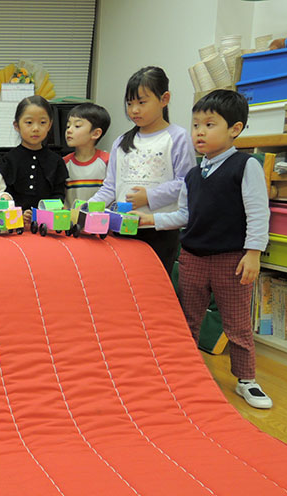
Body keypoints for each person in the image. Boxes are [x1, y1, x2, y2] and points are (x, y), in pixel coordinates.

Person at [135, 90, 272, 409]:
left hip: (231, 260)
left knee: (236, 323)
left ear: (235, 129)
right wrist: (151, 220)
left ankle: (246, 379)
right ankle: (186, 373)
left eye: (209, 125)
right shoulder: (193, 174)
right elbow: (184, 215)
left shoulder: (245, 165)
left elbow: (258, 212)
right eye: (196, 125)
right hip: (192, 258)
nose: (199, 131)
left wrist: (253, 253)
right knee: (187, 319)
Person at [88, 66, 195, 273]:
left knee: (154, 283)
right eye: (129, 104)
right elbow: (110, 187)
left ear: (164, 99)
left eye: (142, 102)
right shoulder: (121, 141)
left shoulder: (178, 137)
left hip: (159, 229)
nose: (134, 110)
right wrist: (87, 208)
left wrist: (150, 197)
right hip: (122, 228)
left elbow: (186, 182)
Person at [0, 95, 68, 225]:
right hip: (15, 225)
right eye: (29, 122)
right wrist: (18, 213)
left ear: (50, 125)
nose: (36, 128)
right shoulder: (8, 160)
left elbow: (58, 195)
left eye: (42, 122)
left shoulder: (56, 161)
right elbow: (5, 195)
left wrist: (46, 212)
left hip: (47, 225)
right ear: (16, 125)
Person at [63, 102, 111, 205]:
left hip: (100, 215)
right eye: (68, 126)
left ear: (96, 133)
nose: (69, 130)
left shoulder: (108, 161)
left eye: (77, 126)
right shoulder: (64, 163)